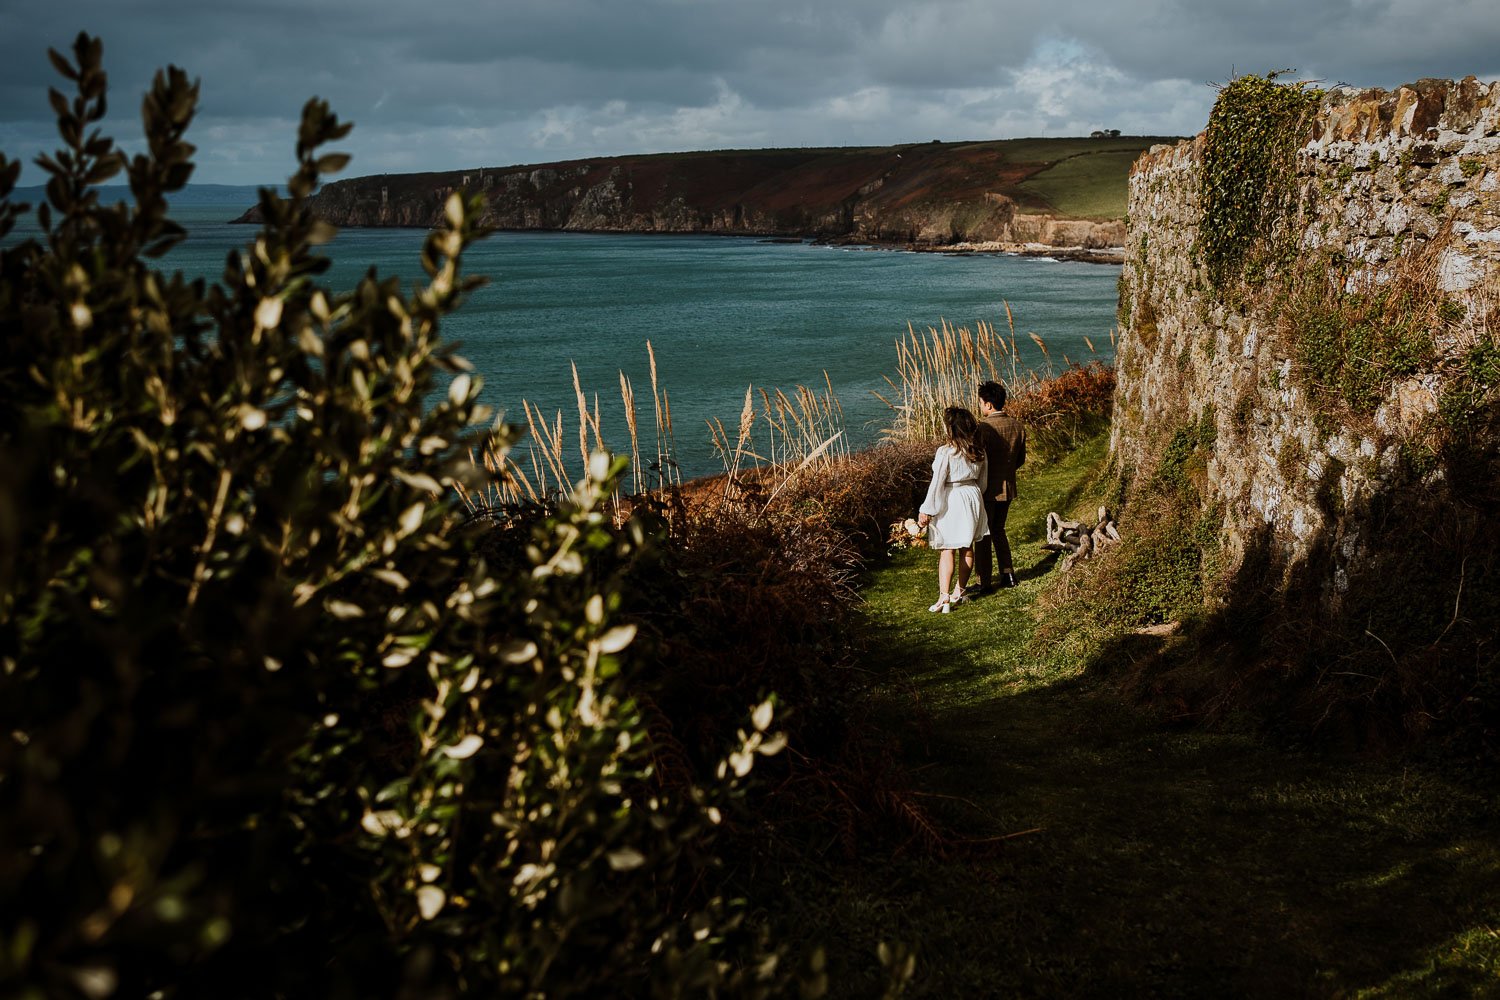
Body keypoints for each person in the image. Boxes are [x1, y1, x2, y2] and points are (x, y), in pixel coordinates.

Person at [916, 406, 989, 613]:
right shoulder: (979, 450)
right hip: (972, 495)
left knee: (947, 548)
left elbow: (937, 481)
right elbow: (983, 482)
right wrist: (975, 495)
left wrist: (927, 509)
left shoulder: (946, 452)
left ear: (951, 429)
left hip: (952, 496)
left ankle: (944, 597)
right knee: (967, 547)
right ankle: (961, 590)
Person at [972, 380, 1026, 592]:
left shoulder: (983, 428)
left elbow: (976, 460)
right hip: (1008, 486)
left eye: (980, 402)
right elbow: (1020, 459)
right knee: (999, 530)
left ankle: (983, 581)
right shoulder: (1017, 426)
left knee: (984, 534)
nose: (980, 406)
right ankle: (1008, 573)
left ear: (988, 405)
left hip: (987, 490)